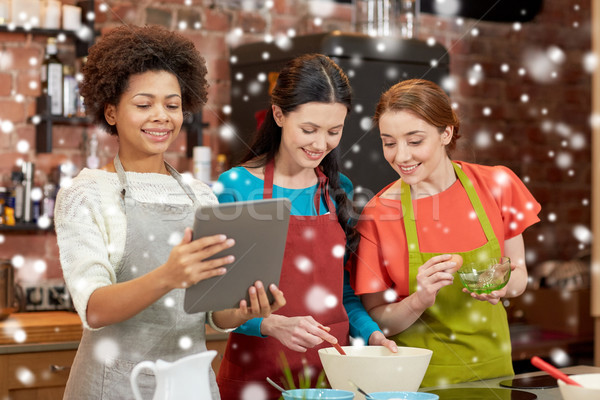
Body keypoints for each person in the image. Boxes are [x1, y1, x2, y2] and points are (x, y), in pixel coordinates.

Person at [54, 25, 284, 399]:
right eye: (144, 104)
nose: (161, 116)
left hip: (189, 387)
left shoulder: (200, 196)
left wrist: (246, 309)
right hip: (113, 387)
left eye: (172, 105)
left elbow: (213, 315)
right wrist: (169, 275)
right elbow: (94, 308)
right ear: (111, 112)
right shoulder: (87, 193)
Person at [214, 53, 397, 400]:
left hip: (331, 378)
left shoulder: (337, 186)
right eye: (309, 129)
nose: (320, 144)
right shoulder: (236, 186)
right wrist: (269, 324)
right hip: (257, 378)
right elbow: (217, 306)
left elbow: (343, 294)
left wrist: (372, 335)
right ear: (279, 114)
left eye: (334, 131)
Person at [346, 78, 542, 388]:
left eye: (415, 140)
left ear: (446, 132)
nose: (401, 156)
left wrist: (502, 285)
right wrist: (418, 300)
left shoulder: (497, 185)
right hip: (415, 382)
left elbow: (519, 275)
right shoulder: (377, 214)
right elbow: (378, 320)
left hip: (494, 373)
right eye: (389, 142)